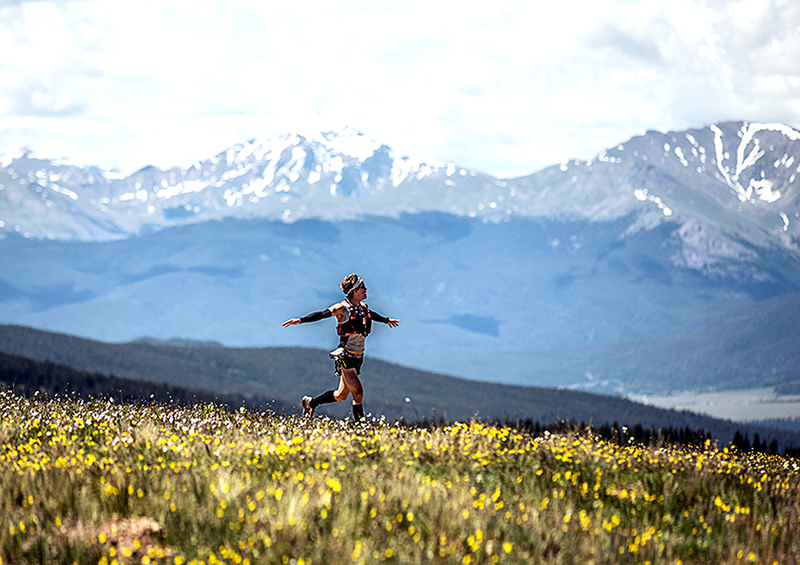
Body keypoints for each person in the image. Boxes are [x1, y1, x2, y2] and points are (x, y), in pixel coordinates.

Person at [282, 274, 399, 421]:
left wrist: (386, 320)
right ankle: (361, 429)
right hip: (346, 356)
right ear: (355, 291)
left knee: (341, 395)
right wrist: (300, 320)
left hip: (358, 357)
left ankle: (311, 403)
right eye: (363, 287)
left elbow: (371, 315)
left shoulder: (363, 308)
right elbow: (321, 314)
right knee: (358, 392)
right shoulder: (341, 309)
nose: (366, 289)